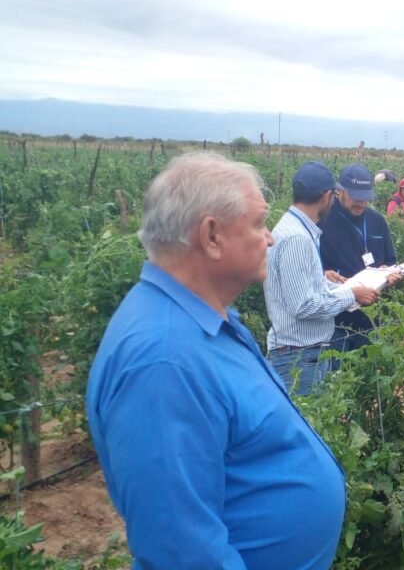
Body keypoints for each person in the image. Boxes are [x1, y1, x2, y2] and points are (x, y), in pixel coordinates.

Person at [86, 153, 345, 569]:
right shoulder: (163, 364)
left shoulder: (202, 322)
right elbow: (182, 552)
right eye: (259, 223)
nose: (271, 237)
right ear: (211, 236)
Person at [264, 161, 380, 395]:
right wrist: (351, 294)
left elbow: (304, 288)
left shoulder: (297, 229)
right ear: (327, 196)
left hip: (303, 354)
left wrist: (328, 283)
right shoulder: (297, 239)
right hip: (299, 357)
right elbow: (303, 306)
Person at [319, 163, 401, 351]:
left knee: (369, 371)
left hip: (371, 316)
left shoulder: (377, 221)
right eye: (356, 197)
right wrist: (324, 273)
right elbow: (310, 266)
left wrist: (389, 273)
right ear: (340, 191)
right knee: (338, 372)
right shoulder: (323, 221)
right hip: (336, 320)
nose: (362, 203)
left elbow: (390, 261)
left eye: (366, 198)